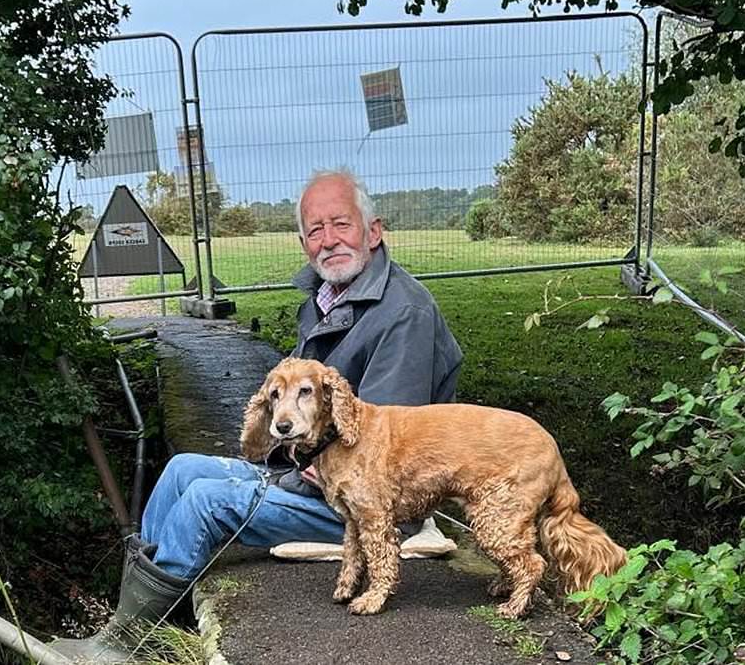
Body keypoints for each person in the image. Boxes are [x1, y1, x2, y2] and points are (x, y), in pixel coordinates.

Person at [51, 169, 462, 660]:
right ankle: (151, 618)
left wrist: (280, 472)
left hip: (364, 502)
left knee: (206, 500)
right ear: (303, 241)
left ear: (374, 231)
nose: (328, 240)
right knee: (181, 469)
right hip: (315, 473)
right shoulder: (328, 299)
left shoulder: (404, 315)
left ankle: (121, 648)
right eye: (315, 230)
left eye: (342, 225)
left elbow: (382, 448)